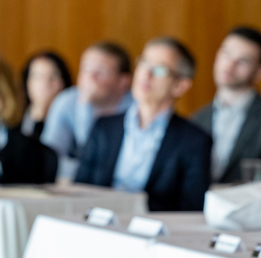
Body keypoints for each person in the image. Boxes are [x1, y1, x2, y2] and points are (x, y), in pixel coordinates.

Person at [76, 37, 212, 211]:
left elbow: (191, 208)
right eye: (144, 63)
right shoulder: (104, 127)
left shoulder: (195, 142)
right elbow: (79, 190)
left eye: (160, 70)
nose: (146, 75)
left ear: (180, 85)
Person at [191, 26, 261, 183]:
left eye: (243, 61)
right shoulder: (197, 119)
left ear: (260, 72)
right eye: (226, 54)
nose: (230, 65)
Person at [40, 42, 133, 179]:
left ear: (123, 81)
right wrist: (84, 106)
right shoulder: (66, 102)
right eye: (86, 69)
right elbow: (49, 158)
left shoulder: (135, 109)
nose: (90, 77)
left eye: (101, 72)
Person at [19, 50, 73, 140]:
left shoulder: (74, 121)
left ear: (63, 82)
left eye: (53, 76)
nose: (45, 83)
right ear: (26, 82)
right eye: (38, 76)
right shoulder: (13, 121)